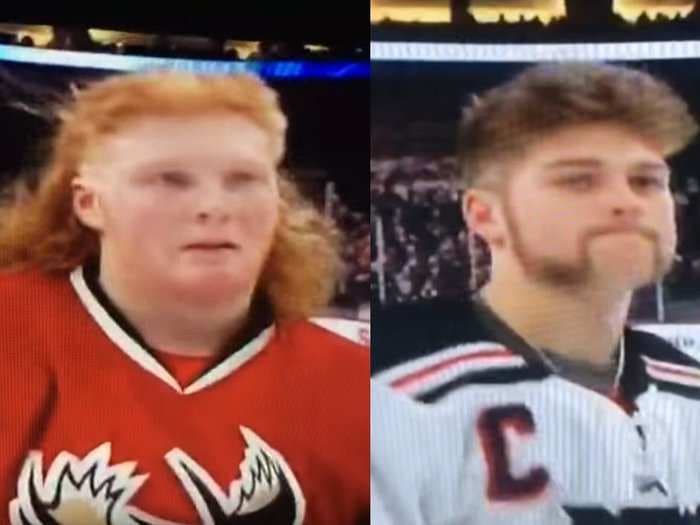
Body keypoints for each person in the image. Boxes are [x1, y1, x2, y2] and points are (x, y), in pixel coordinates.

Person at [0, 71, 369, 525]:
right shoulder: (12, 331)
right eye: (169, 180)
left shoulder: (356, 387)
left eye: (242, 179)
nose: (214, 206)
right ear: (89, 203)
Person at [372, 62, 700, 524]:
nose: (627, 201)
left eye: (646, 181)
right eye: (578, 180)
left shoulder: (690, 389)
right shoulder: (383, 396)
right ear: (485, 215)